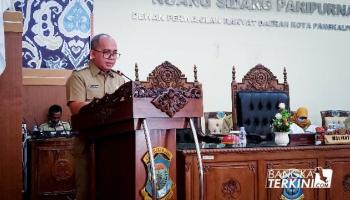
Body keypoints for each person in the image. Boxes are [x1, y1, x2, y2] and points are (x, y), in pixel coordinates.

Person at [66, 33, 125, 200]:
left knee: (113, 191)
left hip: (116, 146)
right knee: (87, 192)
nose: (112, 57)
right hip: (89, 145)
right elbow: (76, 108)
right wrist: (107, 105)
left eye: (115, 53)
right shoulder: (79, 77)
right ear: (92, 53)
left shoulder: (120, 79)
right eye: (106, 52)